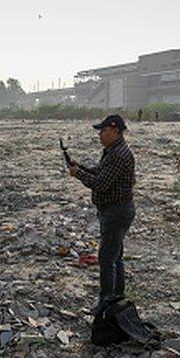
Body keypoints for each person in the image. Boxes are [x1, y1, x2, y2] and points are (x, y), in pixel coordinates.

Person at [67, 114, 136, 314]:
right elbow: (100, 172)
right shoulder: (113, 151)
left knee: (107, 259)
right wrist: (80, 167)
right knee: (116, 256)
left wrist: (77, 174)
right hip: (115, 210)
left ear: (115, 131)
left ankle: (107, 302)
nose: (100, 135)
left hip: (116, 211)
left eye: (103, 131)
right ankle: (117, 296)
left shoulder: (119, 155)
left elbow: (100, 184)